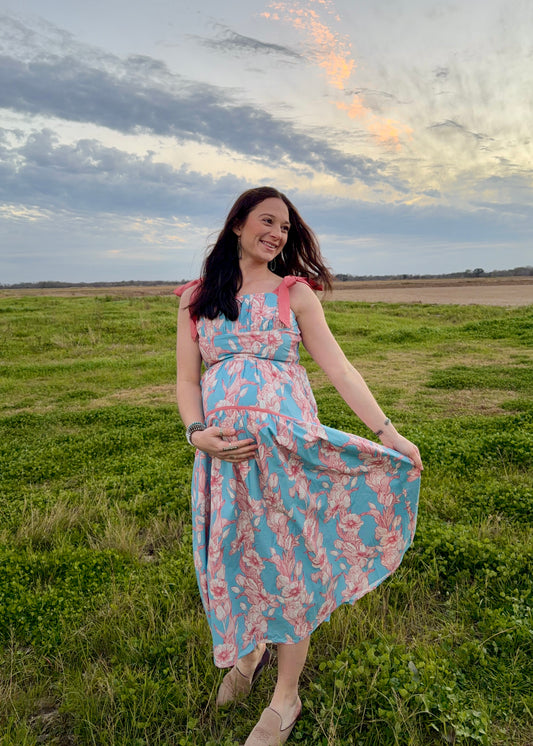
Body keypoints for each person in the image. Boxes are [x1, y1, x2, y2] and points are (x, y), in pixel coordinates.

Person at [175, 186, 422, 746]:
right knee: (236, 557)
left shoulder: (295, 293)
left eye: (285, 228)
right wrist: (197, 435)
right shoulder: (195, 297)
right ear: (237, 223)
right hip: (222, 460)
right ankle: (249, 650)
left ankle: (287, 697)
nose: (277, 234)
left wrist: (389, 433)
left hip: (287, 455)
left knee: (289, 565)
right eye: (267, 221)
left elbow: (340, 371)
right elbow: (187, 380)